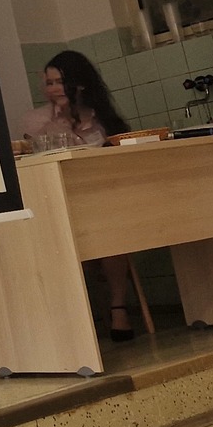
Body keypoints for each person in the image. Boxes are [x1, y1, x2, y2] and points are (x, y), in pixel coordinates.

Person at [24, 50, 137, 340]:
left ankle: (118, 306)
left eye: (61, 82)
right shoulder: (36, 121)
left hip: (100, 200)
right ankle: (75, 313)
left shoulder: (103, 119)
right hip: (56, 202)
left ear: (80, 84)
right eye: (49, 83)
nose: (54, 89)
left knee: (111, 227)